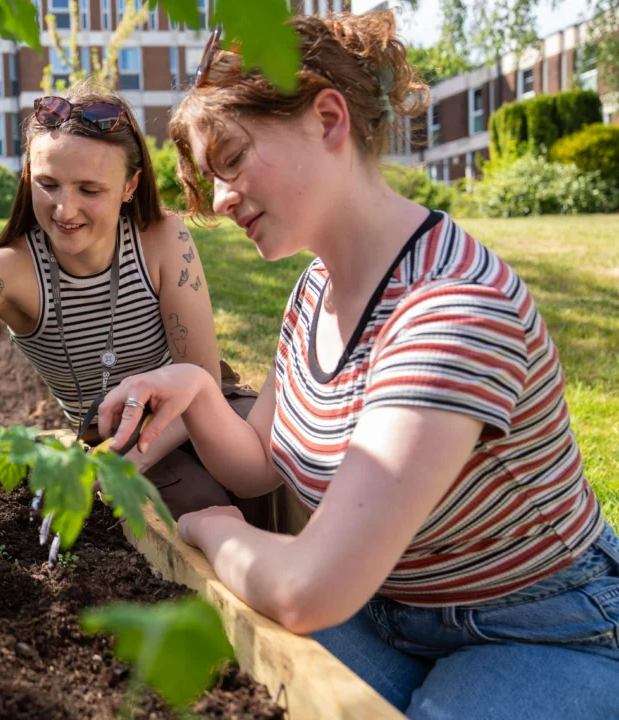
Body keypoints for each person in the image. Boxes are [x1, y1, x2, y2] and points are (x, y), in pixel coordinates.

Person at [96, 11, 619, 719]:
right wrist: (195, 388)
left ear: (329, 120)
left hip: (548, 630)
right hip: (389, 611)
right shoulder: (317, 289)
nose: (218, 199)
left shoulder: (452, 312)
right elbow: (259, 462)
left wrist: (210, 530)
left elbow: (311, 588)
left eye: (233, 159)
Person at [0, 80, 259, 519]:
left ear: (130, 185)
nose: (64, 210)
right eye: (48, 184)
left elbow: (200, 379)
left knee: (277, 472)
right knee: (192, 506)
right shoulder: (7, 272)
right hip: (117, 440)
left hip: (204, 410)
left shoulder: (164, 238)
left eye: (90, 191)